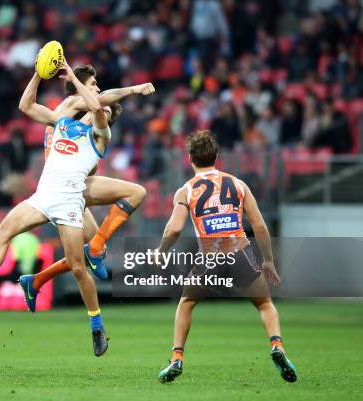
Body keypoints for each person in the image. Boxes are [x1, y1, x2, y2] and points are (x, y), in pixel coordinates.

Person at [0, 60, 114, 357]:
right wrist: (38, 74)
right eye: (94, 83)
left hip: (71, 201)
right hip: (44, 195)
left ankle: (96, 323)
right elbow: (26, 105)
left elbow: (95, 104)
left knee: (78, 266)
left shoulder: (98, 130)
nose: (98, 90)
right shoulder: (61, 120)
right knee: (3, 230)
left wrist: (131, 89)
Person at [155, 129, 297, 383]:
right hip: (241, 254)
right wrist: (267, 260)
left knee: (187, 304)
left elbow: (174, 228)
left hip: (210, 258)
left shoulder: (185, 190)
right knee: (264, 304)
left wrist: (160, 251)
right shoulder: (238, 184)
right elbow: (261, 226)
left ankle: (177, 358)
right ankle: (277, 345)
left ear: (190, 158)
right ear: (216, 156)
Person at [17, 65, 153, 311]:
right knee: (86, 253)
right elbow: (99, 102)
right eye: (92, 84)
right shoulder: (66, 115)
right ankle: (45, 285)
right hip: (62, 189)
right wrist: (134, 89)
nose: (97, 89)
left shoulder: (68, 119)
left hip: (68, 185)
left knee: (86, 251)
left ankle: (36, 281)